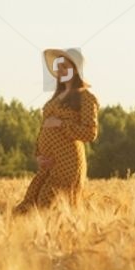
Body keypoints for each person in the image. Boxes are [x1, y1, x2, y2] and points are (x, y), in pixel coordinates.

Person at [14, 48, 99, 214]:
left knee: (48, 206)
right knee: (29, 205)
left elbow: (90, 132)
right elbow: (44, 128)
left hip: (68, 165)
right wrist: (39, 155)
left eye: (64, 66)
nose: (59, 70)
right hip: (48, 165)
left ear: (75, 70)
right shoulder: (56, 97)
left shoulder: (86, 98)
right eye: (58, 66)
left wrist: (60, 123)